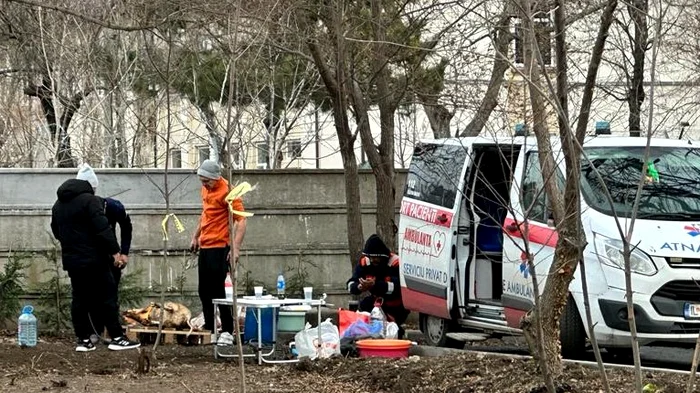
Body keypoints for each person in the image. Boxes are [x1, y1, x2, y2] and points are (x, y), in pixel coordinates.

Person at [50, 170, 140, 352]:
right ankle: (117, 337)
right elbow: (103, 228)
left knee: (79, 299)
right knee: (107, 296)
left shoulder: (58, 205)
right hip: (94, 259)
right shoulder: (90, 201)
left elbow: (56, 231)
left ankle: (83, 340)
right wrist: (116, 253)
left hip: (72, 260)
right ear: (92, 186)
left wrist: (73, 245)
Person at [191, 159, 247, 346]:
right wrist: (195, 236)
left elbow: (241, 221)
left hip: (219, 246)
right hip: (205, 245)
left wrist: (235, 248)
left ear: (216, 178)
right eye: (201, 181)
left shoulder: (229, 193)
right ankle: (211, 328)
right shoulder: (205, 189)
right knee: (203, 290)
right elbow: (205, 214)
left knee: (218, 291)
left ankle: (228, 331)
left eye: (206, 181)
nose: (204, 184)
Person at [75, 164, 133, 344]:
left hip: (109, 257)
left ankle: (112, 332)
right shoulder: (76, 208)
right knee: (89, 296)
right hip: (88, 258)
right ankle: (95, 331)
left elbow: (126, 225)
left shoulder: (110, 206)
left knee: (109, 295)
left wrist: (123, 252)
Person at [346, 234, 409, 339]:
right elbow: (350, 284)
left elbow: (399, 287)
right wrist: (360, 287)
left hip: (396, 305)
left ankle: (396, 333)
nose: (373, 259)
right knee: (364, 307)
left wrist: (376, 285)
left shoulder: (395, 263)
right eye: (371, 257)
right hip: (376, 303)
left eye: (376, 257)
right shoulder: (365, 263)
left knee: (391, 329)